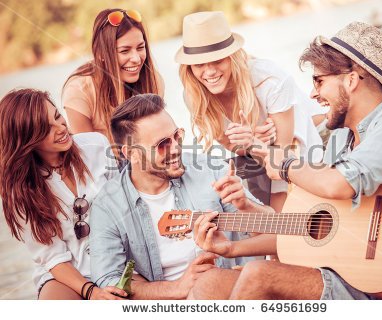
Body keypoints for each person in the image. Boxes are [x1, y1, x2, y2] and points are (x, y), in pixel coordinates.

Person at [191, 21, 382, 300]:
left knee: (258, 274)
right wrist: (232, 246)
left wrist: (287, 165)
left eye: (319, 81)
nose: (313, 94)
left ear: (350, 80)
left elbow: (342, 184)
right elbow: (302, 227)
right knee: (210, 283)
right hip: (344, 275)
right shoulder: (339, 138)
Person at [89, 93, 275, 299]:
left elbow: (273, 236)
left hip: (231, 291)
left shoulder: (208, 168)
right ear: (131, 153)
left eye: (177, 135)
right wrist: (177, 287)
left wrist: (245, 205)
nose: (176, 148)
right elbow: (109, 277)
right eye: (162, 144)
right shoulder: (108, 205)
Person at [176, 11, 324, 212]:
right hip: (261, 156)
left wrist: (256, 143)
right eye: (199, 64)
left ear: (232, 57)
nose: (209, 72)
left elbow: (283, 155)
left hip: (304, 139)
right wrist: (251, 141)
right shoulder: (194, 96)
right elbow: (234, 147)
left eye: (218, 60)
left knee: (288, 212)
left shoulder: (268, 79)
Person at [0, 89, 126, 300]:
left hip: (116, 257)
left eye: (57, 116)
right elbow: (52, 257)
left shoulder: (96, 145)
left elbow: (124, 208)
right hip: (65, 274)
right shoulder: (19, 190)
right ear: (26, 139)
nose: (61, 128)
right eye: (46, 129)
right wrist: (91, 292)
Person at [62, 8, 164, 142]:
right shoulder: (79, 91)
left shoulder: (153, 80)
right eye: (124, 51)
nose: (136, 59)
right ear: (100, 53)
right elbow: (89, 155)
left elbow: (157, 138)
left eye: (140, 48)